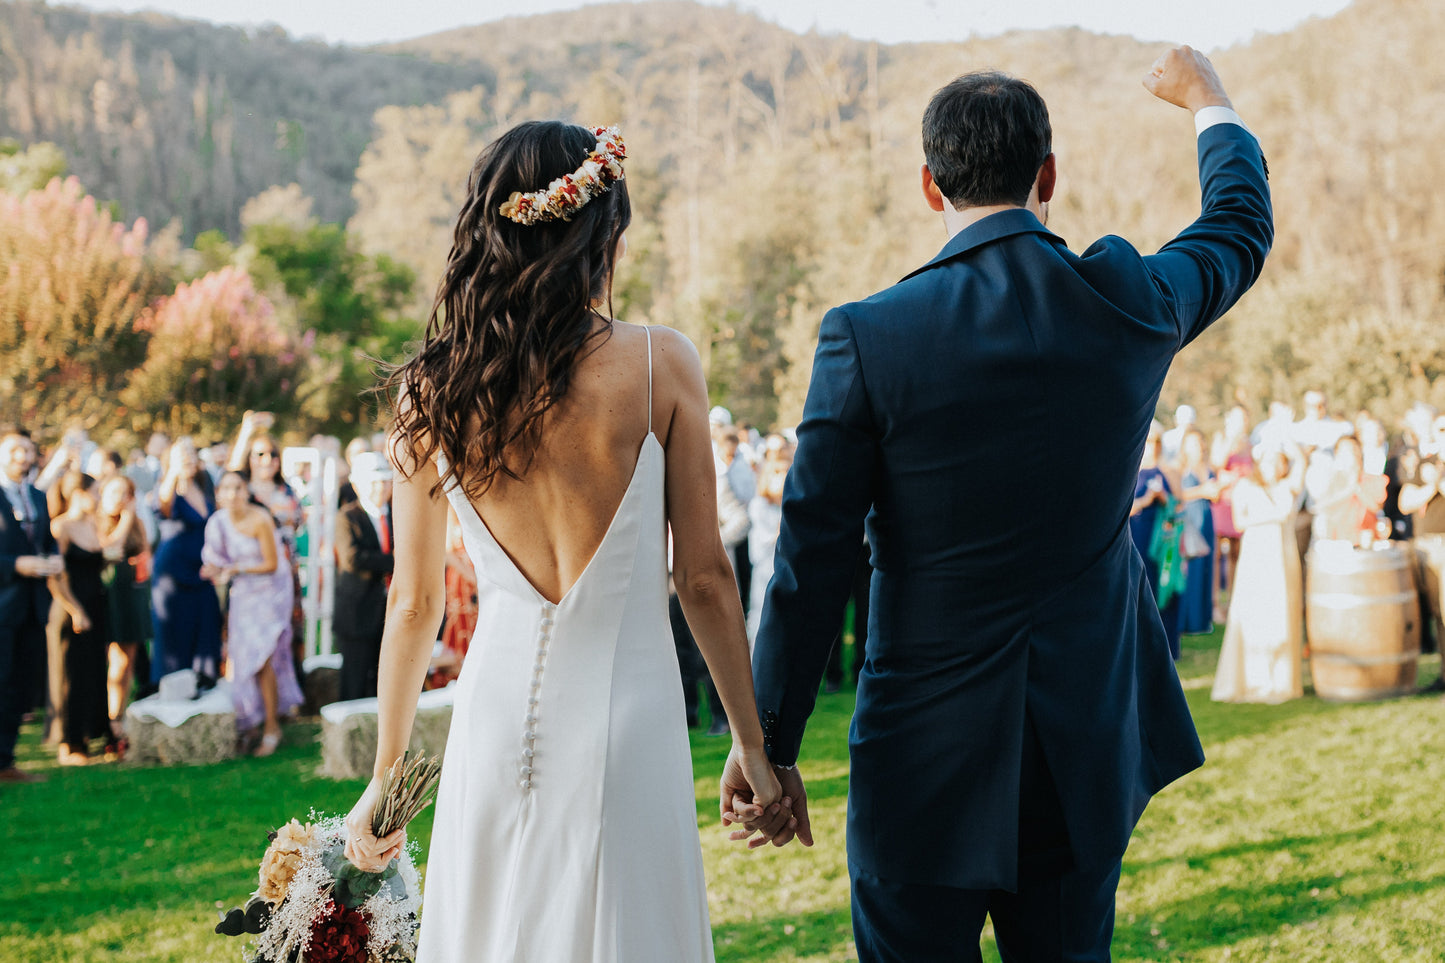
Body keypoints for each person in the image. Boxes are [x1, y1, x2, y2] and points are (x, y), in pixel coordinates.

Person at [743, 49, 1272, 960]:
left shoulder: (867, 336)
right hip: (1081, 748)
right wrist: (1208, 104)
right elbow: (1235, 227)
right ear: (1048, 175)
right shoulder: (1127, 300)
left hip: (920, 756)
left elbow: (809, 562)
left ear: (928, 185)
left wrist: (771, 748)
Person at [343, 120, 781, 963]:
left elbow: (414, 603)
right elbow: (702, 577)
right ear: (598, 231)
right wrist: (751, 745)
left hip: (493, 716)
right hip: (630, 720)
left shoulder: (432, 391)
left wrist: (386, 776)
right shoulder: (661, 364)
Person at [201, 472, 304, 755]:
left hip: (271, 594)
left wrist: (235, 569)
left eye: (238, 488)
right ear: (219, 494)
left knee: (263, 660)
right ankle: (251, 722)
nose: (232, 494)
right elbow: (214, 557)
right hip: (243, 598)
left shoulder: (260, 518)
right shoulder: (217, 522)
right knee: (243, 661)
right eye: (226, 489)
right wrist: (214, 570)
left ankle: (272, 726)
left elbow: (273, 563)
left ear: (246, 491)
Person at [1211, 443, 1305, 703]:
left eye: (1279, 461)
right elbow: (1240, 522)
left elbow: (1301, 467)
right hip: (1257, 556)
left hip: (1283, 557)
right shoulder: (1245, 487)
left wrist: (1287, 436)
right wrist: (1272, 515)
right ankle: (1254, 679)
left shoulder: (1287, 487)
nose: (1274, 466)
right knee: (1255, 616)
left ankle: (1281, 679)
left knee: (1280, 614)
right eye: (1269, 461)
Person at [0, 429, 62, 782]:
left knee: (18, 685)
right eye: (13, 450)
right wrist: (15, 565)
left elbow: (46, 540)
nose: (21, 456)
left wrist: (53, 559)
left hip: (32, 605)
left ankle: (5, 761)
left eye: (26, 450)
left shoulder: (37, 496)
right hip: (3, 601)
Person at [46, 472, 111, 765]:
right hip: (72, 608)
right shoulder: (61, 527)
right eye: (95, 492)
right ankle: (68, 742)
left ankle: (89, 736)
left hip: (97, 604)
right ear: (78, 493)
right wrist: (75, 610)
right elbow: (54, 577)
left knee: (94, 672)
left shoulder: (93, 524)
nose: (98, 497)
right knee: (70, 675)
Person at [149, 438, 222, 686]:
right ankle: (172, 686)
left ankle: (203, 682)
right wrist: (174, 471)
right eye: (183, 455)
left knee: (207, 624)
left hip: (201, 571)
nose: (189, 458)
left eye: (192, 453)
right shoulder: (167, 488)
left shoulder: (204, 486)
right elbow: (164, 505)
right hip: (173, 571)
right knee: (174, 632)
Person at [333, 451, 394, 701]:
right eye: (373, 482)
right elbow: (353, 558)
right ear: (357, 485)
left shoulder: (398, 515)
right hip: (356, 614)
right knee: (354, 681)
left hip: (389, 612)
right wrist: (397, 561)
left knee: (385, 680)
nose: (380, 488)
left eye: (385, 481)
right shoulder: (347, 516)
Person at [97, 475, 150, 752]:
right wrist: (127, 519)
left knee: (129, 658)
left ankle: (122, 711)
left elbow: (144, 552)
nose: (119, 498)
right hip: (110, 594)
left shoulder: (137, 523)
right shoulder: (97, 522)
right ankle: (112, 719)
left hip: (133, 592)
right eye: (114, 492)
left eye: (124, 493)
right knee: (115, 661)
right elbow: (109, 549)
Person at [1132, 422, 1184, 658]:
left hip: (1163, 539)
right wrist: (1145, 501)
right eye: (1148, 440)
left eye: (1156, 441)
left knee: (1163, 587)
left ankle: (1166, 646)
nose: (1152, 446)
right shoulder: (1131, 468)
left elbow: (1180, 505)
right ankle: (1139, 644)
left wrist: (1164, 499)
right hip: (1138, 535)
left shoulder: (1169, 470)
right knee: (1139, 587)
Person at [1176, 427, 1220, 636]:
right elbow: (1178, 494)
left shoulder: (1207, 466)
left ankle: (1203, 619)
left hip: (1206, 519)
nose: (1198, 447)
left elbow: (1214, 495)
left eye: (1199, 442)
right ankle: (1189, 621)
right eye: (1192, 443)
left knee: (1205, 568)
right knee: (1190, 569)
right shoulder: (1182, 468)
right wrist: (1202, 491)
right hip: (1190, 520)